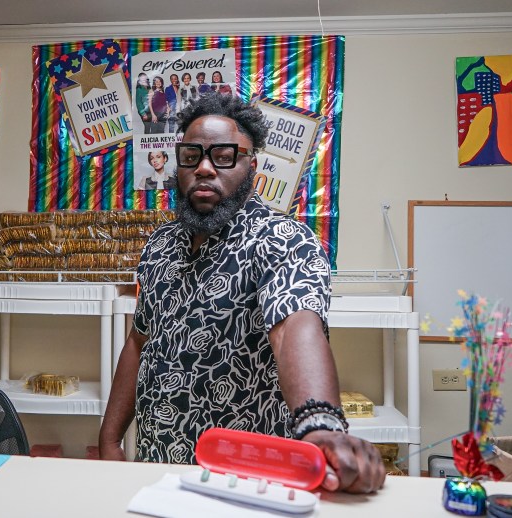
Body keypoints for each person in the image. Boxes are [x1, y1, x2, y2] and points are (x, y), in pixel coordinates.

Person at [99, 94, 385, 494]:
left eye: (223, 156)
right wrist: (110, 440)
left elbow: (294, 328)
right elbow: (138, 340)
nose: (203, 168)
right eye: (191, 155)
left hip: (247, 481)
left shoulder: (283, 240)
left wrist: (320, 424)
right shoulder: (160, 245)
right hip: (159, 469)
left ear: (252, 164)